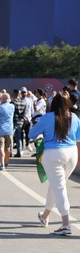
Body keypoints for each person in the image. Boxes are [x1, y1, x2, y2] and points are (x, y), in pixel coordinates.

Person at [30, 92, 80, 236]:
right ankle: (45, 216)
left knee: (59, 188)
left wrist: (43, 133)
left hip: (53, 154)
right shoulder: (74, 117)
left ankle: (65, 224)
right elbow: (78, 138)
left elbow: (32, 134)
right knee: (56, 186)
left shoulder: (47, 117)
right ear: (67, 104)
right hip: (72, 154)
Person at [0, 92, 15, 171]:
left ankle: (2, 164)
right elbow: (6, 103)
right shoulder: (12, 106)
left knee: (0, 147)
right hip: (9, 130)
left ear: (3, 99)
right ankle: (6, 162)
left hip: (0, 130)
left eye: (1, 98)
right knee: (7, 147)